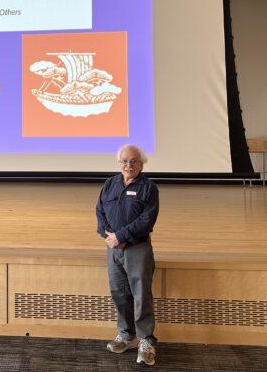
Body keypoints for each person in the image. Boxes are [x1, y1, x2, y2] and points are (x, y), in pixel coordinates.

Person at [95, 144, 159, 366]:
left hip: (136, 248)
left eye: (133, 161)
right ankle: (126, 334)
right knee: (119, 293)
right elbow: (100, 211)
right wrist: (108, 235)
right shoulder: (110, 184)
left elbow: (146, 220)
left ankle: (146, 340)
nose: (128, 165)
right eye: (124, 161)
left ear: (141, 164)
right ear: (118, 163)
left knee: (141, 294)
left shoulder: (149, 188)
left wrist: (121, 235)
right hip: (113, 248)